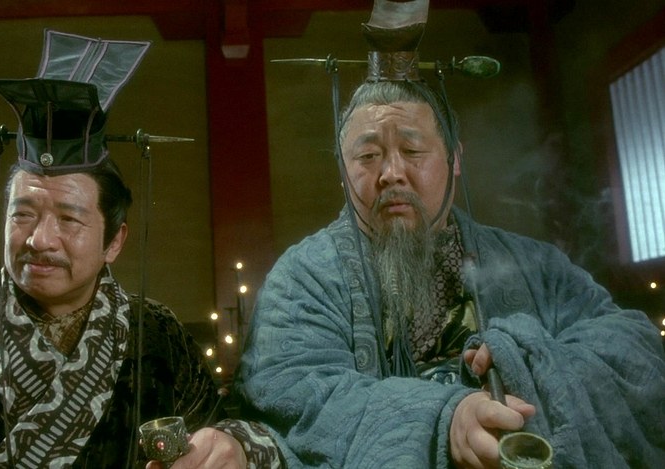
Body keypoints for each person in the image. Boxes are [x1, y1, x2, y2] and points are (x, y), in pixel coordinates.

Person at [235, 2, 665, 468]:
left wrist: (524, 357)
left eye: (412, 150)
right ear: (342, 171)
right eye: (368, 156)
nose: (391, 173)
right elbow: (295, 395)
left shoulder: (533, 264)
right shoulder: (302, 280)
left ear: (455, 159)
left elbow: (634, 349)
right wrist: (446, 420)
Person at [0, 30, 282, 469]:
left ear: (114, 241)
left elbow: (220, 436)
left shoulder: (157, 336)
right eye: (22, 215)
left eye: (68, 219)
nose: (39, 240)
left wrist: (233, 446)